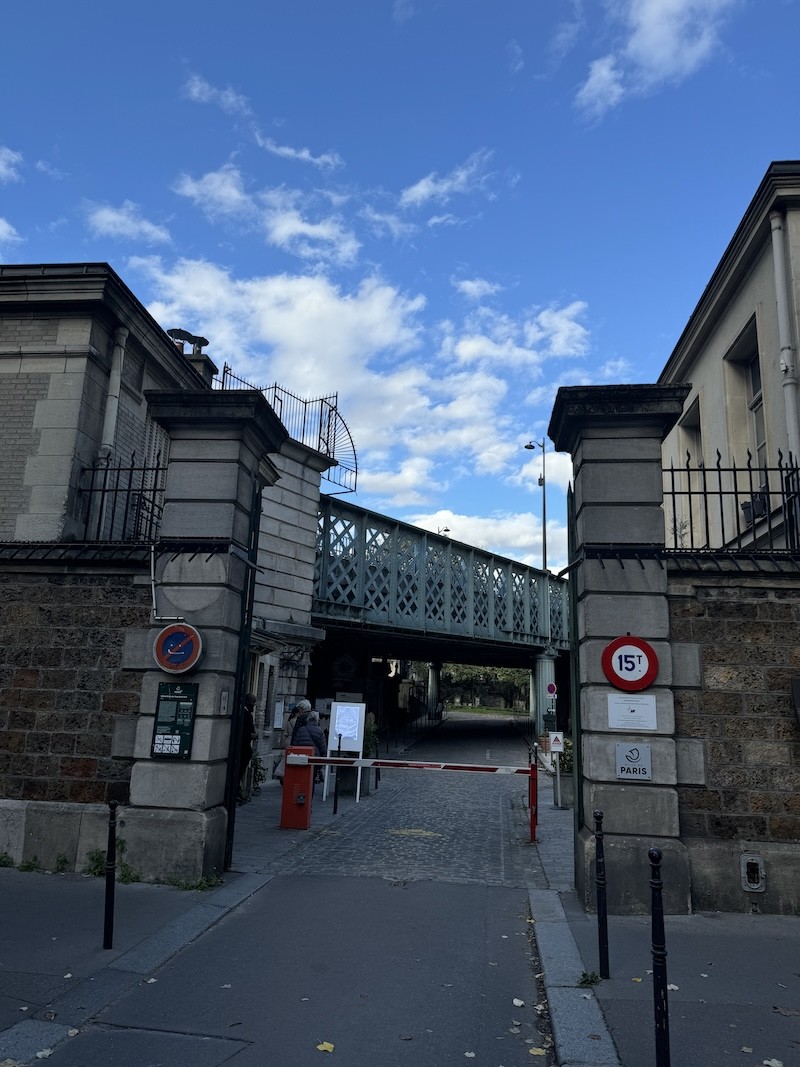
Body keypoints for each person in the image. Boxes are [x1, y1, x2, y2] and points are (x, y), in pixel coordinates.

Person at [291, 703, 327, 785]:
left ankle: (301, 793)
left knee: (301, 778)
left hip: (301, 757)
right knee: (311, 780)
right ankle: (310, 796)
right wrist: (323, 758)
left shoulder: (301, 730)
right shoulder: (320, 731)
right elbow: (323, 747)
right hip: (315, 758)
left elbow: (295, 744)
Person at [238, 693, 258, 802]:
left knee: (241, 771)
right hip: (243, 748)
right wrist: (253, 735)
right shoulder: (245, 715)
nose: (253, 706)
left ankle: (238, 790)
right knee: (239, 771)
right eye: (252, 703)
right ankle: (237, 790)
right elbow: (245, 732)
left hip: (245, 748)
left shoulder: (247, 714)